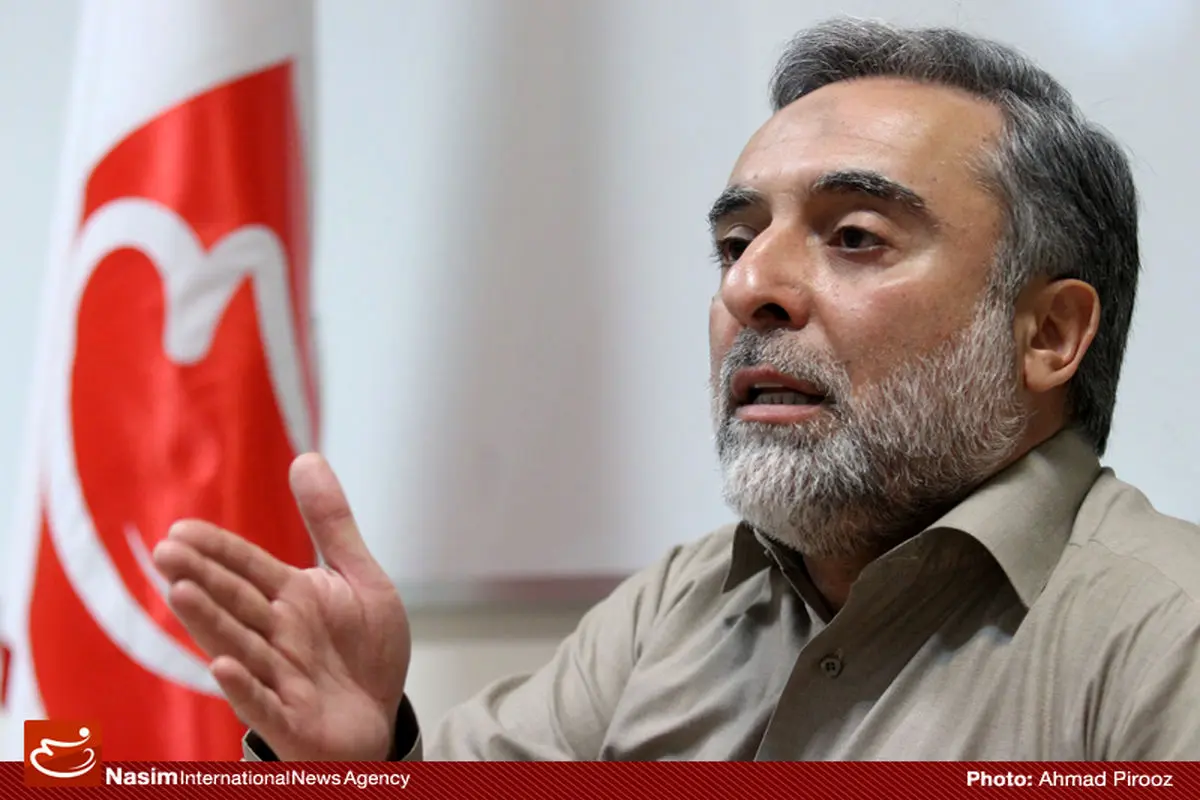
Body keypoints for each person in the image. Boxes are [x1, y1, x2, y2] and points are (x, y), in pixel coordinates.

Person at [152, 17, 1200, 761]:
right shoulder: (680, 605)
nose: (749, 287)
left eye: (853, 236)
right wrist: (367, 757)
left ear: (1048, 332)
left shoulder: (1166, 636)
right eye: (736, 243)